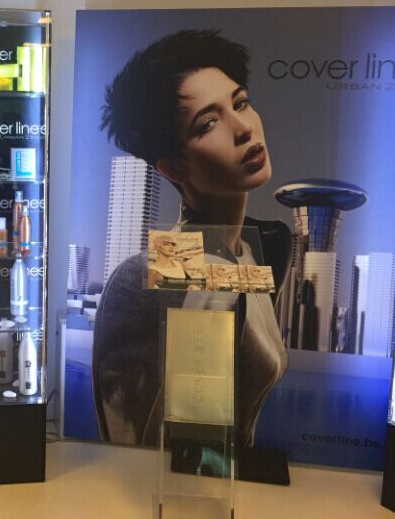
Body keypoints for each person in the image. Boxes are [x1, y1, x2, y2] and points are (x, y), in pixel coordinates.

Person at [94, 30, 292, 449]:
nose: (243, 128)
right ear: (172, 169)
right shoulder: (156, 274)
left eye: (240, 103)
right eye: (208, 124)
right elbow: (155, 444)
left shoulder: (253, 252)